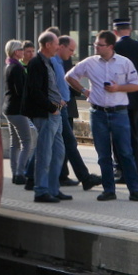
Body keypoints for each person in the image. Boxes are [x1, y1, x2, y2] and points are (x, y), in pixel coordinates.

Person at [65, 30, 138, 201]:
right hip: (98, 112)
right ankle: (109, 190)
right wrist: (84, 91)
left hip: (119, 112)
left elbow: (136, 85)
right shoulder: (90, 62)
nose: (96, 47)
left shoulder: (124, 63)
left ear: (110, 46)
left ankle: (134, 190)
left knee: (125, 152)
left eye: (99, 45)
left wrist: (118, 88)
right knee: (103, 154)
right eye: (95, 44)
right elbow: (70, 76)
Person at [21, 30, 69, 203]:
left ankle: (53, 189)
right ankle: (41, 191)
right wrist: (52, 108)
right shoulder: (36, 63)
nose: (58, 47)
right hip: (47, 114)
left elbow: (50, 86)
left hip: (55, 112)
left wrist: (60, 102)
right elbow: (35, 91)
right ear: (48, 45)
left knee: (58, 153)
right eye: (56, 44)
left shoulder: (47, 62)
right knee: (44, 153)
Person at [55, 35, 101, 189]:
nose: (72, 53)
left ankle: (30, 176)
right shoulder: (53, 62)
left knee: (56, 143)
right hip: (56, 108)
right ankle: (84, 178)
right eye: (71, 49)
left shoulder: (58, 61)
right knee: (64, 142)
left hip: (61, 107)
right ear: (59, 46)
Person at [111, 18, 138, 178]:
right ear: (130, 29)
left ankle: (120, 167)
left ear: (115, 32)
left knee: (118, 134)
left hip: (118, 97)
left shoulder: (114, 48)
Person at [3, 39, 36, 186]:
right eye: (22, 50)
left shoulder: (9, 65)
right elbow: (20, 90)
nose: (23, 52)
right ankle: (20, 173)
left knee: (14, 142)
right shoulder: (17, 68)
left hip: (9, 108)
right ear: (17, 52)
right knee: (26, 141)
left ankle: (15, 172)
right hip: (17, 109)